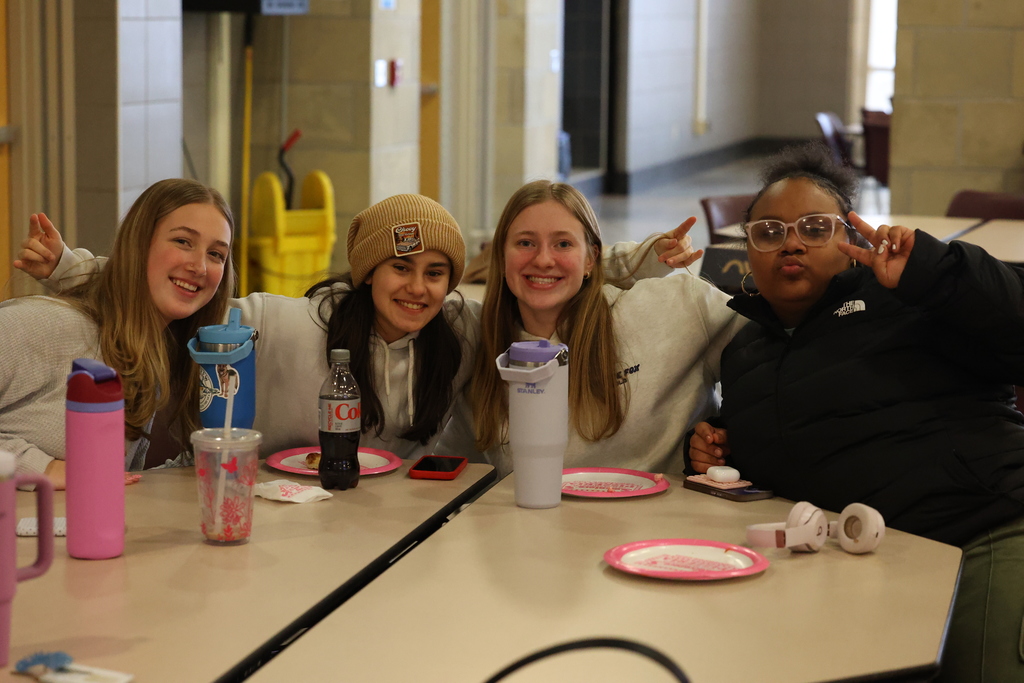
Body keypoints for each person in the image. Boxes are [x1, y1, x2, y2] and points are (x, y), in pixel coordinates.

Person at [687, 142, 1024, 683]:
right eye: (769, 233)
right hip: (861, 561)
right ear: (747, 251)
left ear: (850, 236)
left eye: (815, 228)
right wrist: (714, 445)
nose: (790, 243)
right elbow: (795, 432)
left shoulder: (912, 297)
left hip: (979, 535)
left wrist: (936, 274)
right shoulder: (746, 351)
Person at [23, 194, 699, 462]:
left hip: (396, 525)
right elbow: (184, 295)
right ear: (365, 273)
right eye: (399, 266)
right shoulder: (287, 322)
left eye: (437, 270)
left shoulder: (458, 324)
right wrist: (70, 269)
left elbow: (538, 271)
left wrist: (628, 259)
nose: (418, 286)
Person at [464, 179, 745, 476]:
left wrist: (729, 436)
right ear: (500, 256)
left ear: (592, 257)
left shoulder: (679, 307)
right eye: (525, 243)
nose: (543, 259)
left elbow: (779, 354)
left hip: (663, 518)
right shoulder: (477, 340)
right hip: (528, 519)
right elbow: (463, 469)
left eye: (563, 244)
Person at [1, 179, 235, 488]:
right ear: (139, 244)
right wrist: (40, 468)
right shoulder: (44, 325)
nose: (200, 267)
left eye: (216, 254)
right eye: (183, 241)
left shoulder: (151, 349)